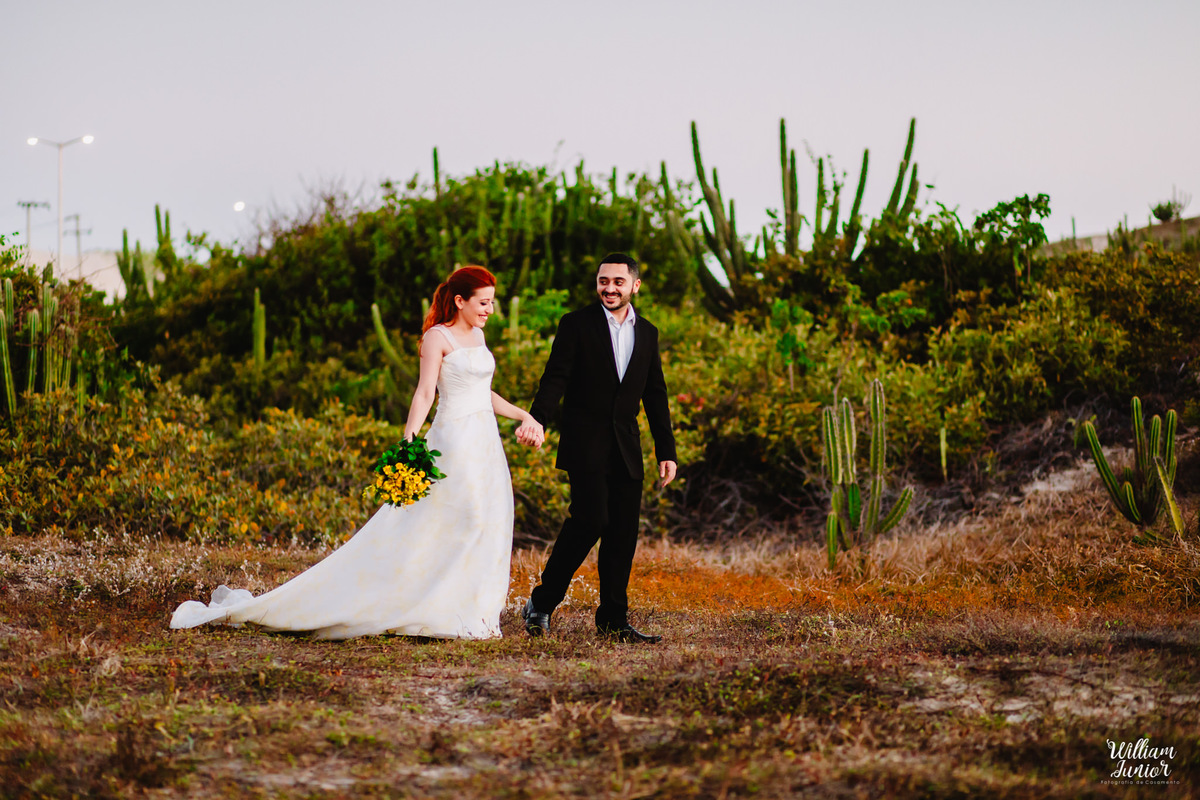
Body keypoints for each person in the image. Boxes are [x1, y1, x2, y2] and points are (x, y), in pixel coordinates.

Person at [170, 266, 541, 640]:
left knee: (484, 519)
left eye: (492, 302)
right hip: (454, 440)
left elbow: (482, 392)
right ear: (460, 301)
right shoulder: (437, 337)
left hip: (485, 442)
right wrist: (409, 442)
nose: (490, 310)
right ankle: (426, 605)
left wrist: (523, 415)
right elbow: (425, 392)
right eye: (483, 302)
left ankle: (466, 610)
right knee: (463, 517)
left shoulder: (478, 336)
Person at [514, 253, 677, 644]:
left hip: (627, 447)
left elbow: (655, 394)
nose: (610, 288)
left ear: (635, 285)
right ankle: (541, 603)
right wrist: (537, 419)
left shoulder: (648, 332)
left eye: (618, 281)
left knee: (622, 533)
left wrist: (666, 450)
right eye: (604, 281)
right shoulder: (576, 324)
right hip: (584, 442)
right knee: (590, 520)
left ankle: (613, 620)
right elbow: (555, 378)